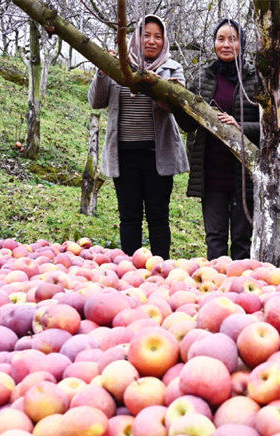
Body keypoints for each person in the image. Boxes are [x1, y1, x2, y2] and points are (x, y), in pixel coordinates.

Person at [88, 14, 188, 260]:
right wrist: (102, 72)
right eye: (146, 35)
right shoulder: (117, 65)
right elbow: (96, 101)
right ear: (136, 37)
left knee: (158, 215)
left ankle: (160, 268)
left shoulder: (173, 69)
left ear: (164, 41)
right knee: (129, 216)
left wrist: (167, 91)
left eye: (158, 36)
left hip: (158, 155)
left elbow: (179, 110)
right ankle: (129, 271)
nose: (152, 41)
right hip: (123, 154)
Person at [177, 19, 261, 260]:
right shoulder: (203, 78)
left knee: (242, 240)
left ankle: (241, 291)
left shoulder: (256, 79)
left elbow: (271, 128)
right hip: (211, 172)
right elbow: (188, 125)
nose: (226, 44)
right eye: (220, 39)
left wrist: (241, 126)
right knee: (214, 239)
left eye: (232, 39)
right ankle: (216, 290)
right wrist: (175, 103)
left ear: (242, 43)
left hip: (244, 173)